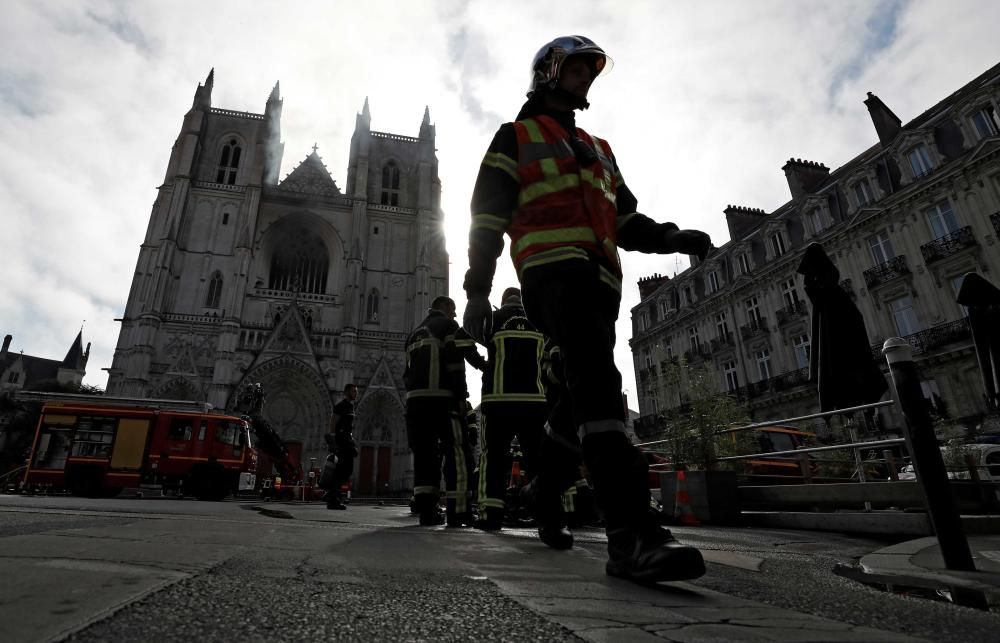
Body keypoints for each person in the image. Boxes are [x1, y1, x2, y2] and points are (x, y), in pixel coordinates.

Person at [463, 35, 712, 583]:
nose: (586, 77)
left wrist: (674, 238)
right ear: (549, 73)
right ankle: (631, 535)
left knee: (576, 403)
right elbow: (487, 218)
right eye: (577, 68)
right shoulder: (516, 137)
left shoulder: (600, 148)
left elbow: (625, 223)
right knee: (601, 390)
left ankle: (543, 490)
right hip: (552, 275)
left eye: (590, 71)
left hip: (601, 283)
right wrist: (478, 291)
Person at [473, 287, 552, 537]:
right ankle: (548, 516)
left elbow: (468, 334)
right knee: (537, 459)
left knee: (493, 458)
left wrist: (485, 366)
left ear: (503, 300)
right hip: (534, 401)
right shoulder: (539, 318)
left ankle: (491, 515)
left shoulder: (494, 319)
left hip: (499, 400)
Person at [404, 296, 481, 527]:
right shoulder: (448, 326)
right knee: (458, 454)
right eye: (453, 309)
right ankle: (458, 512)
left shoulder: (413, 333)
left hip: (415, 404)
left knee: (425, 457)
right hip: (442, 400)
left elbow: (406, 373)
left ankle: (427, 512)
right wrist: (461, 397)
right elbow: (457, 363)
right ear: (445, 307)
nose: (455, 314)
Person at [324, 383, 359, 510]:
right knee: (341, 470)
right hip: (341, 442)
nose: (355, 393)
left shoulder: (351, 407)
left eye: (356, 391)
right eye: (353, 391)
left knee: (347, 470)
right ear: (346, 393)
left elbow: (349, 429)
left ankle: (332, 494)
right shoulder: (340, 406)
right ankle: (333, 499)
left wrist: (352, 444)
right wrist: (333, 443)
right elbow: (333, 423)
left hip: (347, 441)